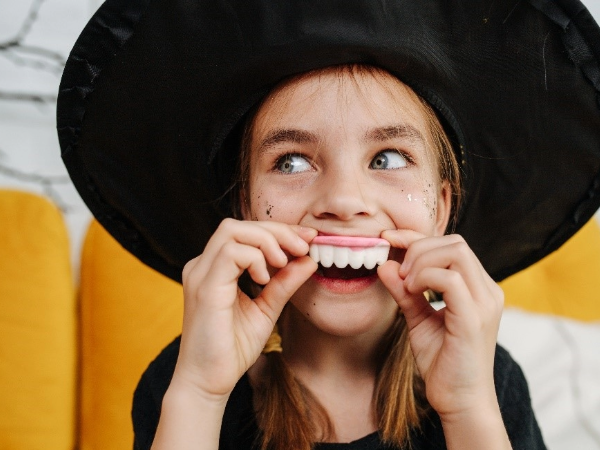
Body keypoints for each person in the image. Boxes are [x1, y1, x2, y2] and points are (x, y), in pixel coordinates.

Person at [57, 0, 600, 449]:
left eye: (387, 158)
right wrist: (200, 393)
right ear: (244, 208)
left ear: (440, 208)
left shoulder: (487, 382)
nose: (343, 201)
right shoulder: (186, 380)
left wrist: (467, 406)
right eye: (291, 161)